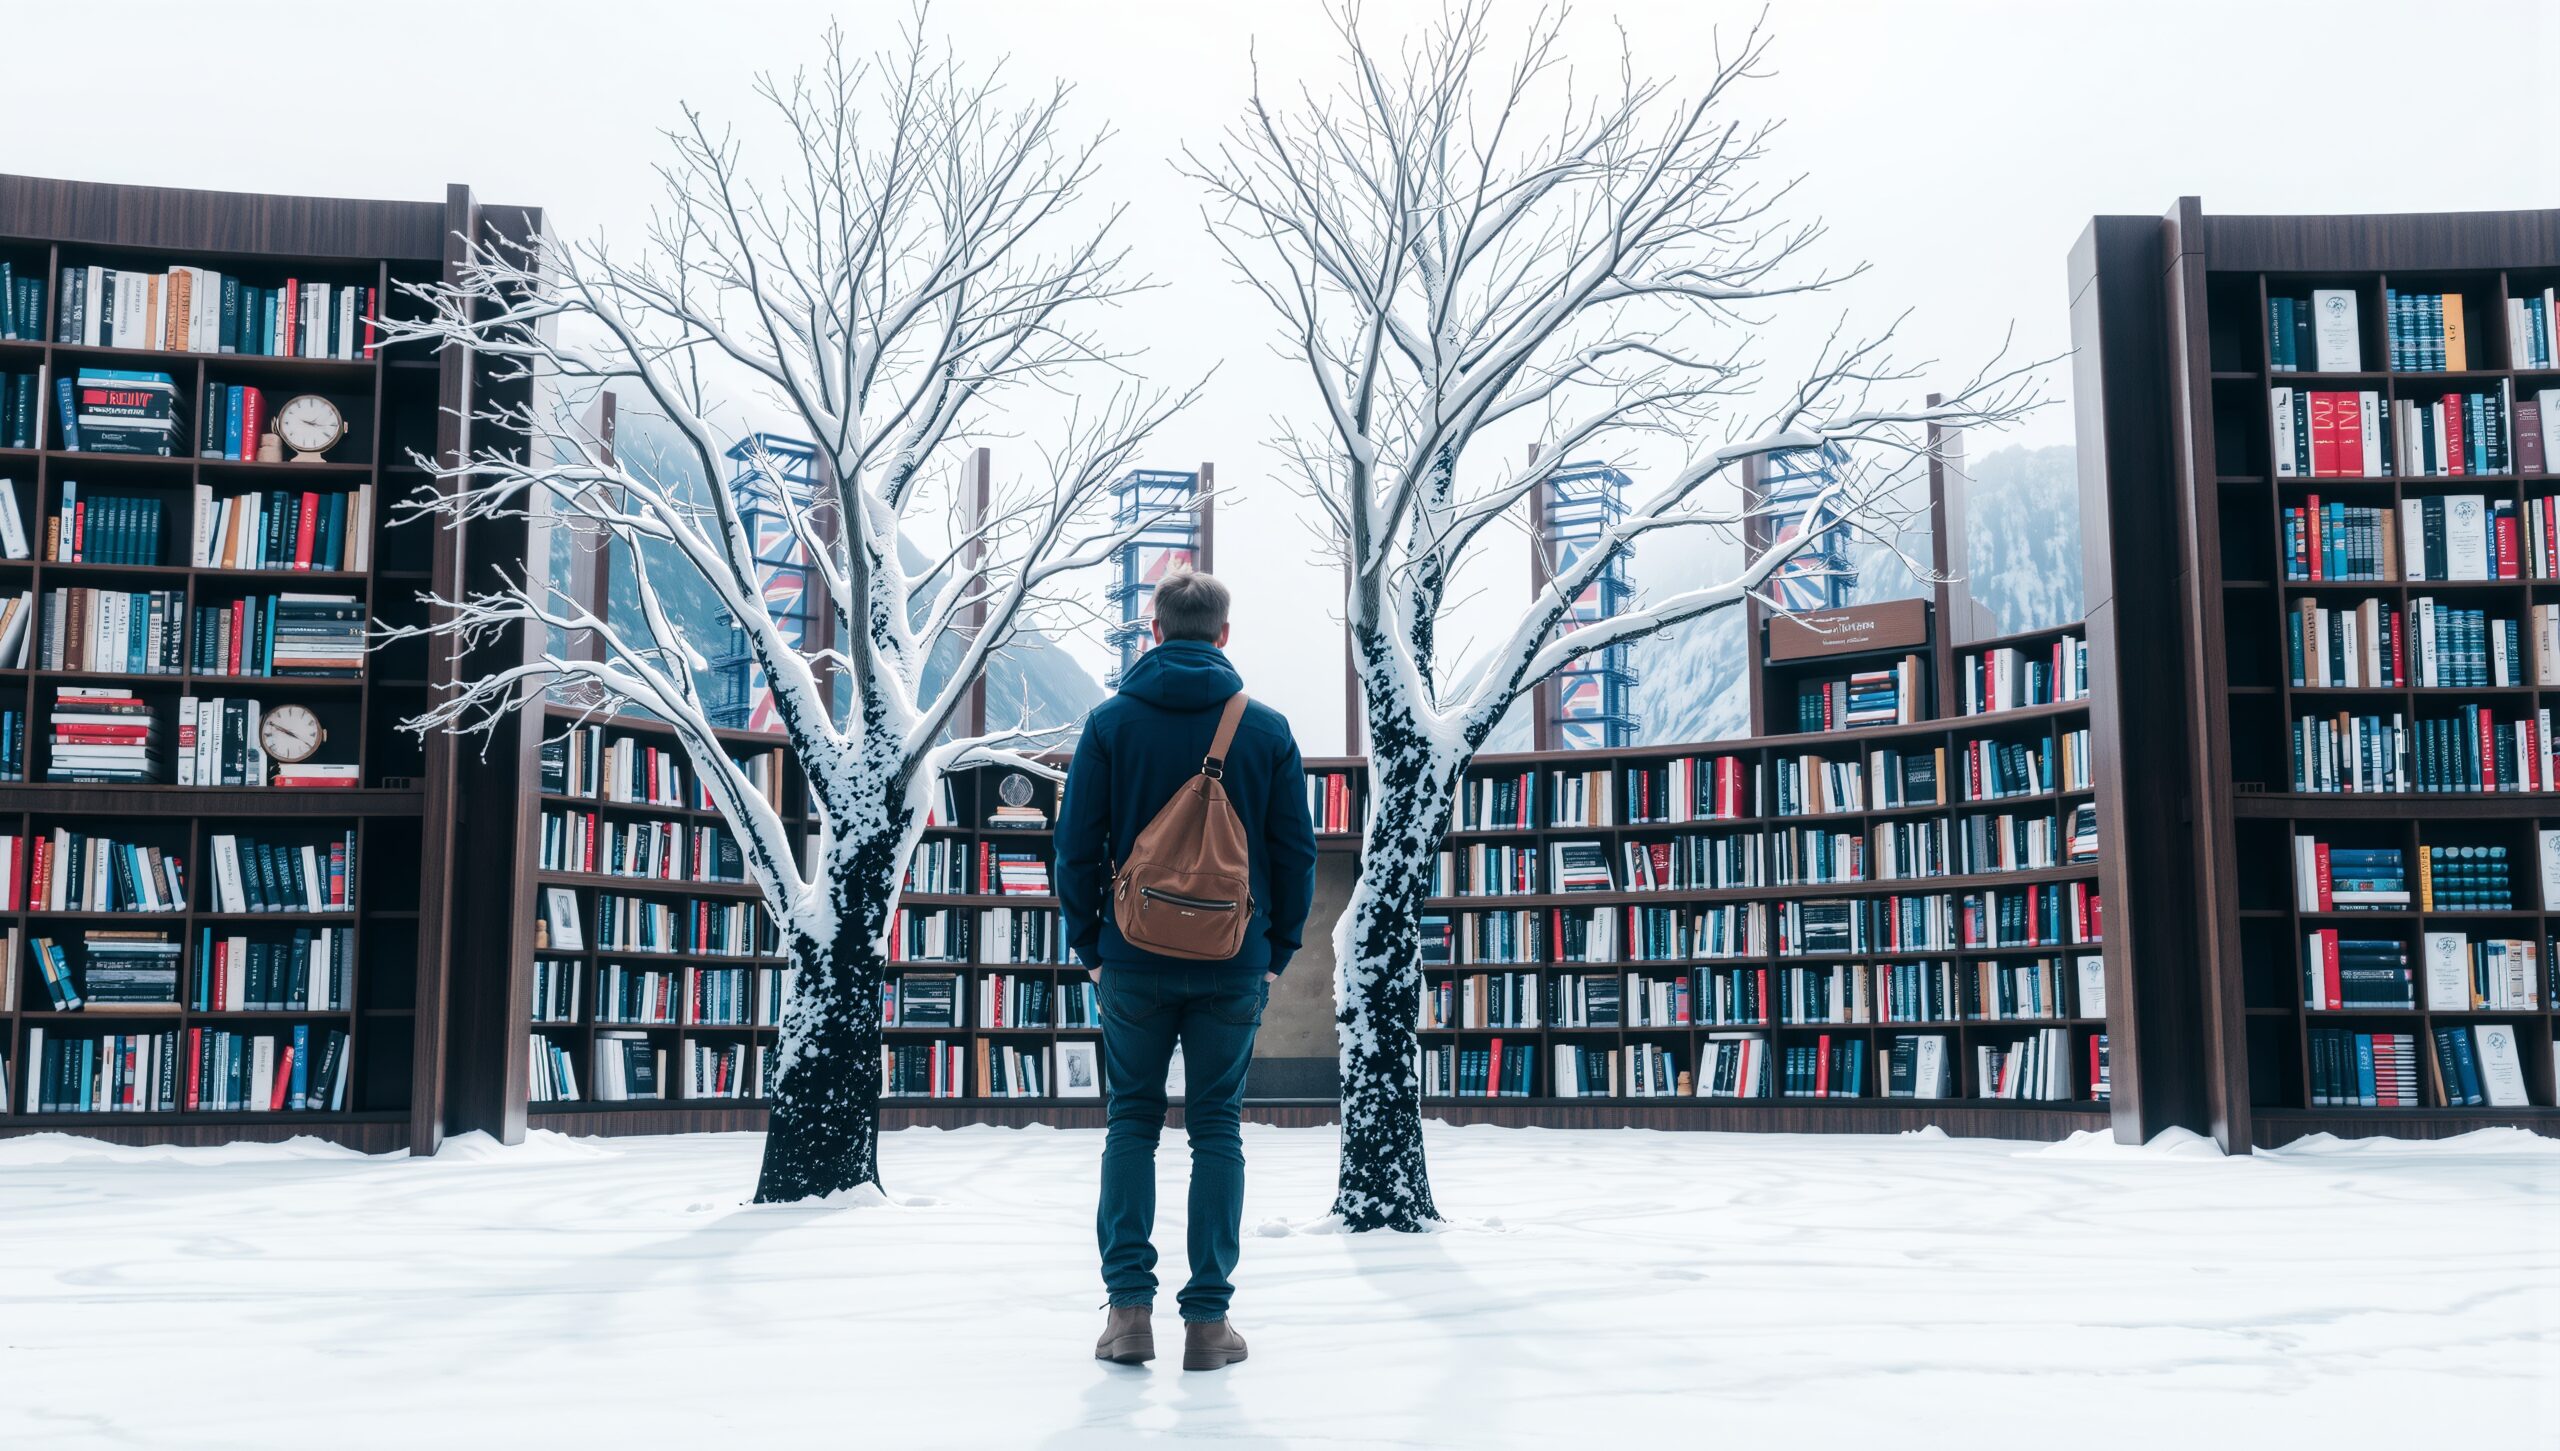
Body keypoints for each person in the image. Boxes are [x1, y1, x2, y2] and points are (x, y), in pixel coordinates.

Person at [1056, 568, 1318, 1372]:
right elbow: (1296, 854)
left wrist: (1091, 947)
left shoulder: (1109, 723)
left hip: (1131, 961)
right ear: (1224, 634)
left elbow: (1075, 847)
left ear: (1155, 630)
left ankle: (1128, 1314)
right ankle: (1208, 1323)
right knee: (1216, 1129)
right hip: (1233, 963)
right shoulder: (1266, 729)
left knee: (1131, 1122)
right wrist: (1275, 953)